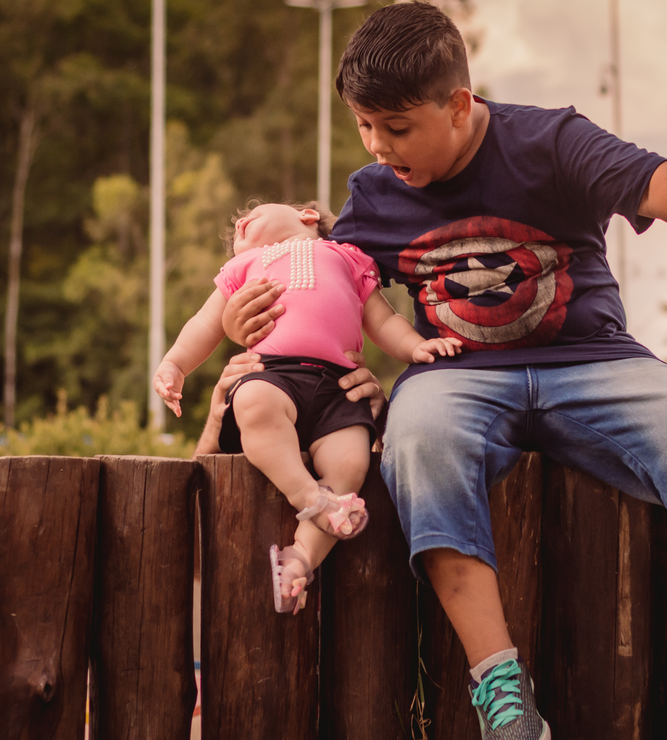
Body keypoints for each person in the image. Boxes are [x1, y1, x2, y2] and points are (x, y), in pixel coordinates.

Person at [222, 2, 667, 737]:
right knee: (418, 443)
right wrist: (279, 353)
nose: (379, 146)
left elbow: (655, 179)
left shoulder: (547, 141)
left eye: (398, 127)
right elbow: (327, 292)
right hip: (458, 377)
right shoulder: (375, 195)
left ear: (458, 105)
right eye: (364, 125)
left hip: (592, 361)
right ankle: (499, 681)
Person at [154, 200, 460, 614]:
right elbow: (204, 324)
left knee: (351, 462)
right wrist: (175, 364)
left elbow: (385, 322)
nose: (239, 225)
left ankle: (301, 558)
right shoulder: (246, 267)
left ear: (308, 215)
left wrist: (417, 346)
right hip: (273, 373)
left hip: (338, 386)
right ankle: (311, 498)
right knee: (255, 404)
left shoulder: (348, 258)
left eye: (252, 214)